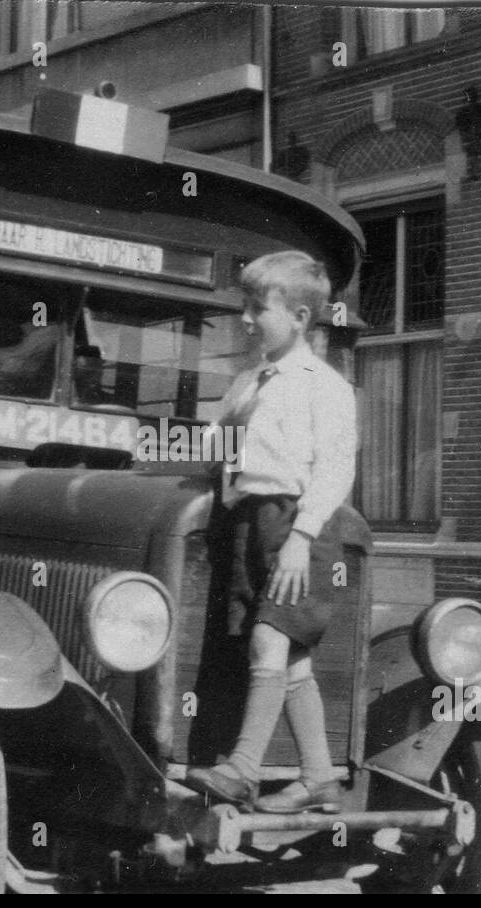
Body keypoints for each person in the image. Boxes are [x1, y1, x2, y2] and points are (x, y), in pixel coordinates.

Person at [184, 251, 357, 814]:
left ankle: (242, 769)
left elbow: (335, 470)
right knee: (293, 660)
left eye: (259, 308)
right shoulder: (246, 383)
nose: (247, 319)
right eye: (245, 307)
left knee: (270, 640)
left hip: (298, 525)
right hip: (249, 522)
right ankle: (318, 778)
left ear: (302, 318)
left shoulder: (323, 386)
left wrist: (302, 539)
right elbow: (215, 446)